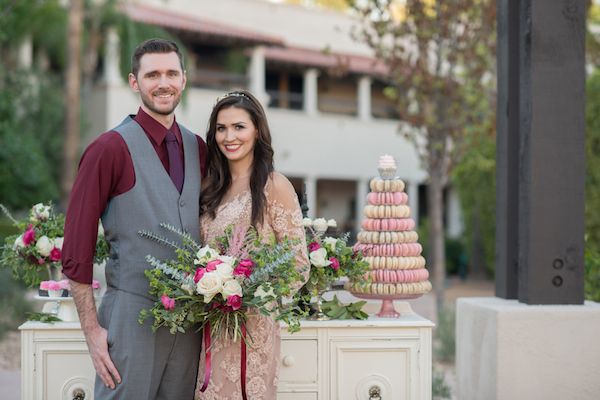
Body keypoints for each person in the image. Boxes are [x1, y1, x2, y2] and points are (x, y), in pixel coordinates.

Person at [62, 38, 206, 399]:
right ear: (134, 82)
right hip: (130, 316)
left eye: (171, 73)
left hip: (189, 320)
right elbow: (76, 248)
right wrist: (92, 331)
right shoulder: (108, 149)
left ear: (184, 80)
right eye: (152, 74)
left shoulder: (198, 147)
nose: (163, 83)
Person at [196, 90, 309, 399]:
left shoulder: (275, 186)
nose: (229, 136)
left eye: (238, 127)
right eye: (221, 128)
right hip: (210, 325)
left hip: (252, 327)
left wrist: (249, 293)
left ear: (257, 130)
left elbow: (298, 264)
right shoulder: (209, 187)